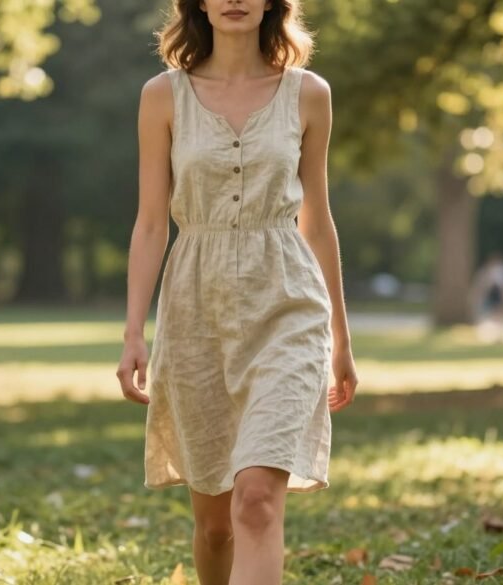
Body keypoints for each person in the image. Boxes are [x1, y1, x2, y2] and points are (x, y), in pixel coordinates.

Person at [116, 1, 358, 583]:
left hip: (288, 305)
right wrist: (132, 333)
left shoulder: (309, 94)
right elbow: (151, 222)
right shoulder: (161, 97)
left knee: (256, 500)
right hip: (196, 309)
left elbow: (318, 220)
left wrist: (341, 342)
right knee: (217, 523)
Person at [469, 251, 503, 343]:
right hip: (492, 294)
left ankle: (499, 334)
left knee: (499, 315)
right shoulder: (495, 271)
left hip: (495, 294)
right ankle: (498, 334)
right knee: (497, 315)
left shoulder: (501, 271)